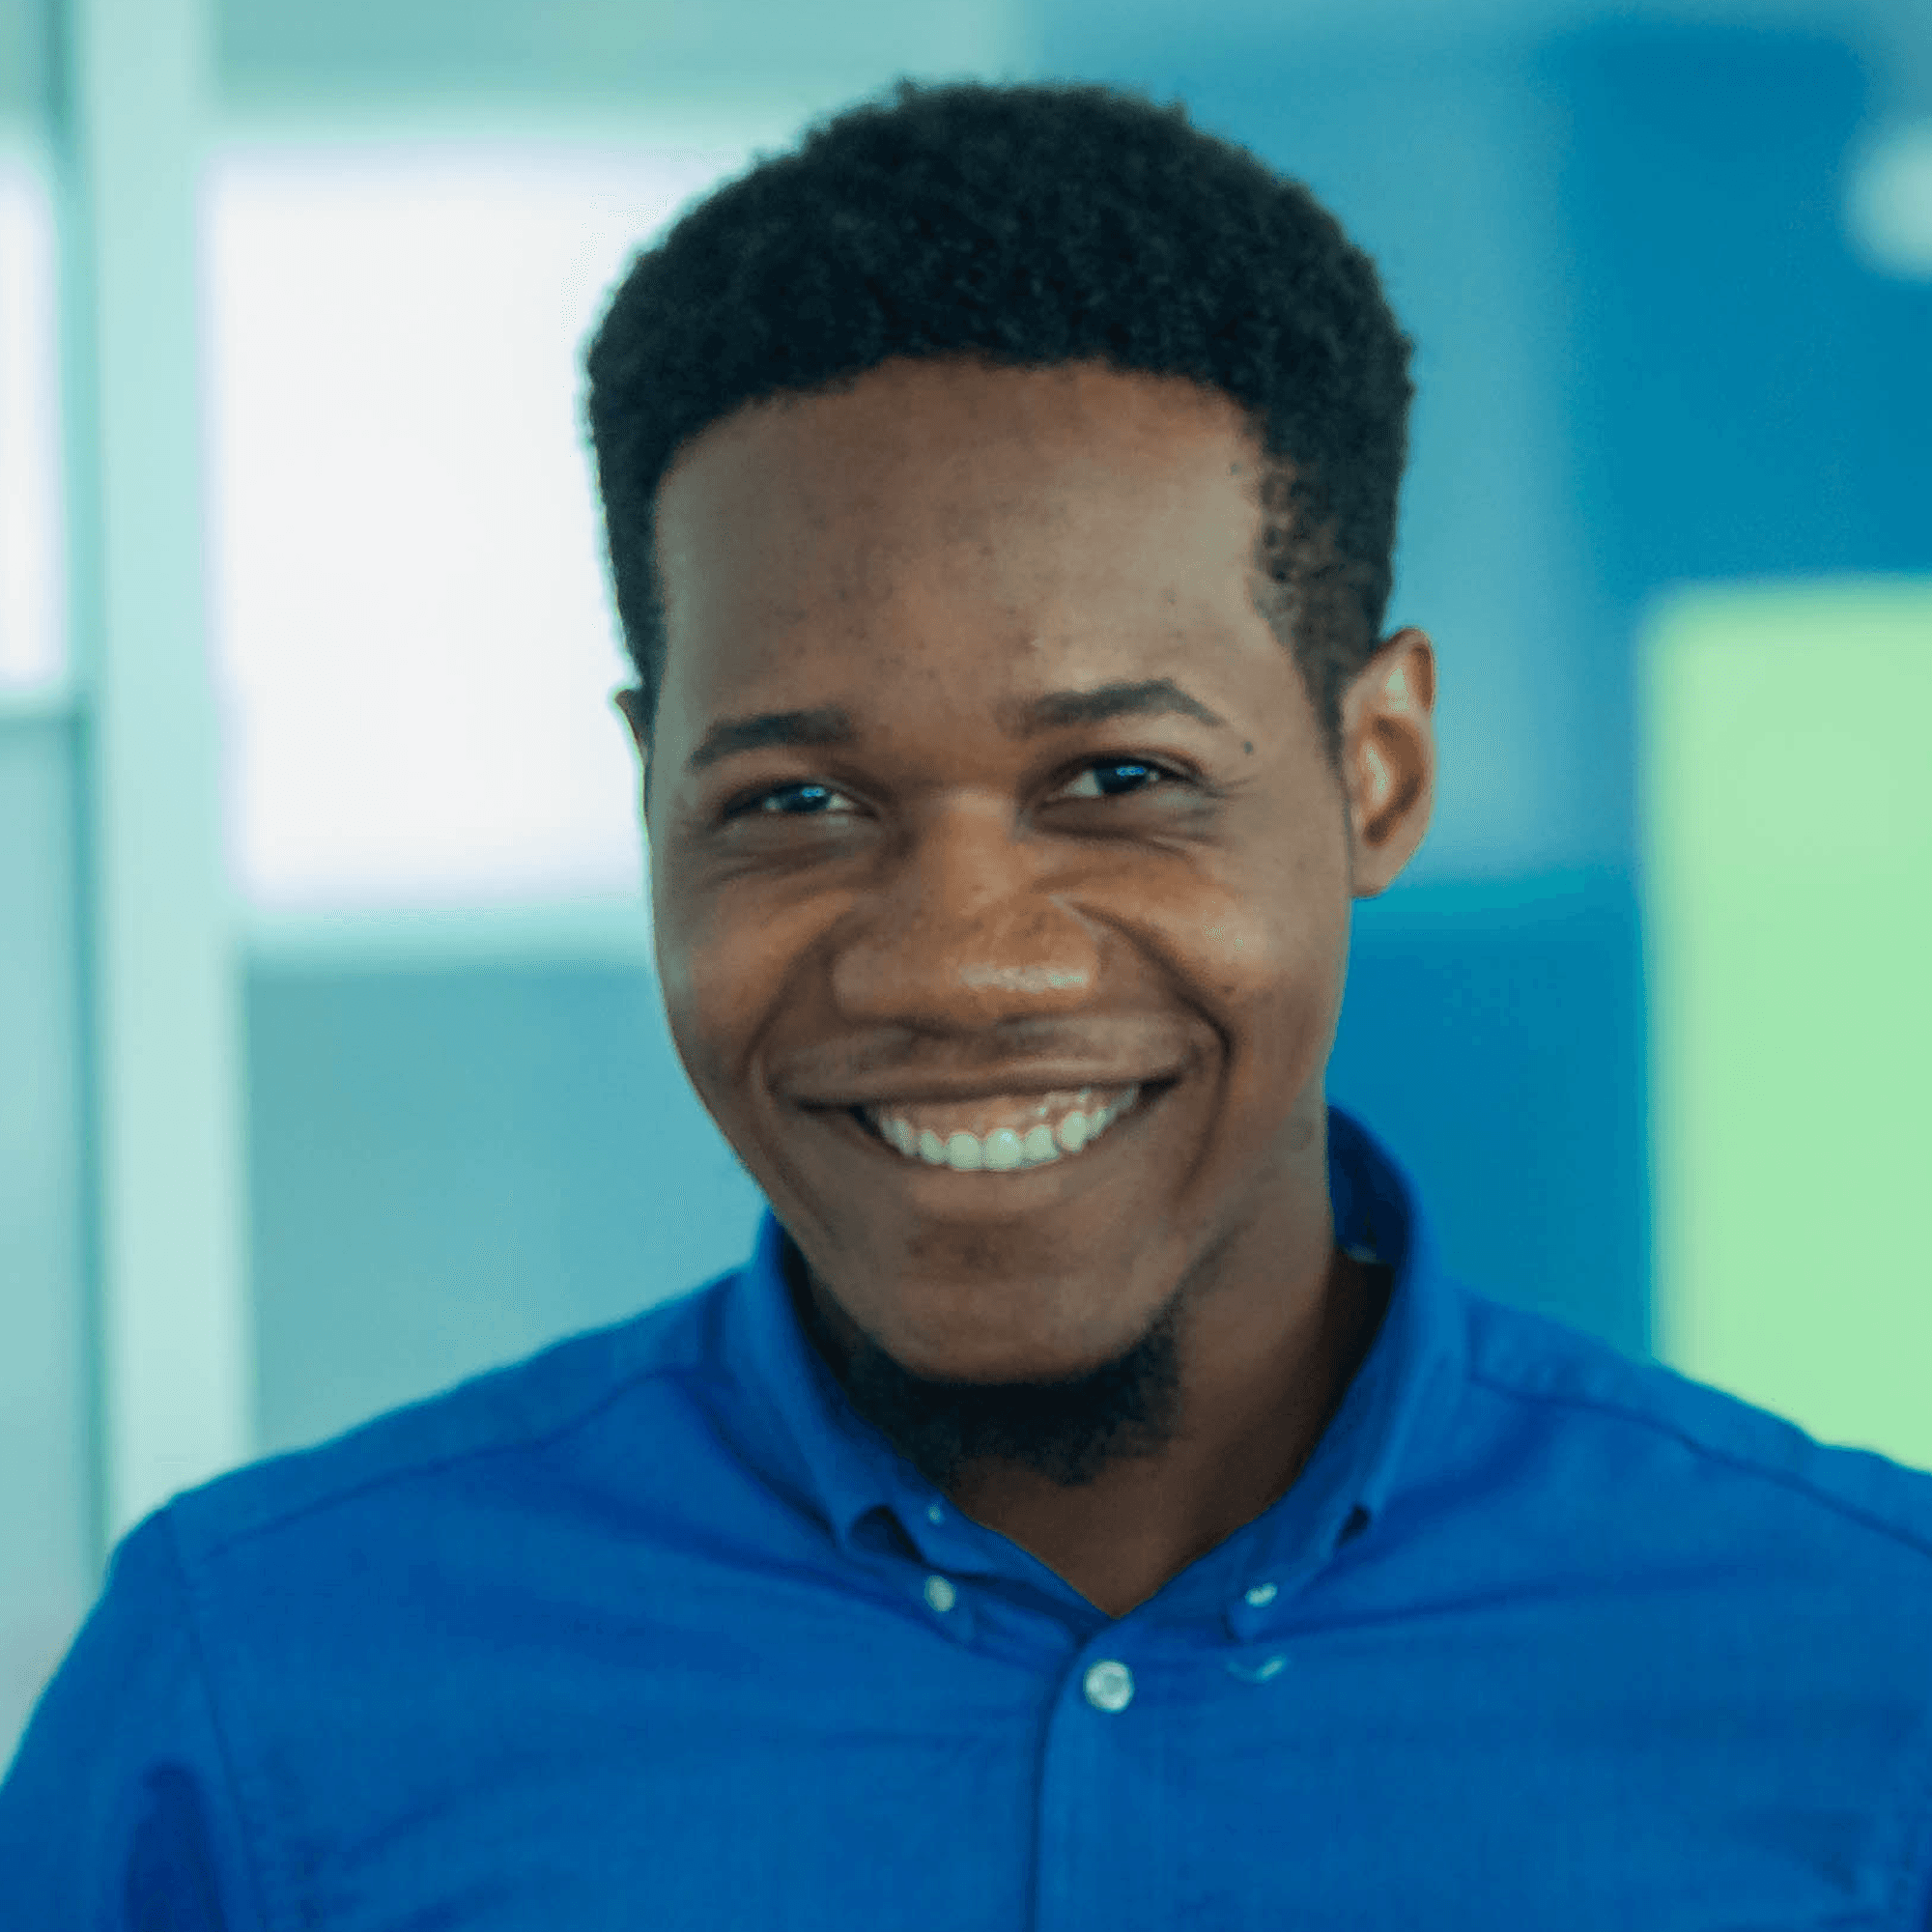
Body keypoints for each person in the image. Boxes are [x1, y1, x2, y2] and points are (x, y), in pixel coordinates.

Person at [4, 75, 1929, 1930]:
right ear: (648, 799)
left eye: (1115, 781)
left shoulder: (1873, 1685)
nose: (955, 964)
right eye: (795, 803)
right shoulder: (256, 1703)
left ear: (1378, 771)